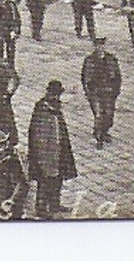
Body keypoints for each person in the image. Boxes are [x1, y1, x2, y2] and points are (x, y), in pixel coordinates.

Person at [26, 80, 77, 219]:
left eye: (58, 95)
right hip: (45, 152)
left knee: (58, 179)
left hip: (59, 149)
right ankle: (41, 208)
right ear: (48, 93)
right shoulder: (42, 109)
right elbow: (37, 134)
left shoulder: (55, 107)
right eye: (54, 94)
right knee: (44, 181)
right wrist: (42, 155)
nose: (56, 97)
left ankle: (55, 204)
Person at [81, 35, 121, 148]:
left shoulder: (111, 59)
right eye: (97, 45)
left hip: (109, 92)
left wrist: (116, 91)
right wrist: (89, 93)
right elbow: (85, 78)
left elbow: (117, 77)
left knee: (109, 115)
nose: (100, 48)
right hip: (96, 93)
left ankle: (104, 132)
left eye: (102, 45)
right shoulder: (89, 61)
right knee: (99, 115)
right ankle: (99, 138)